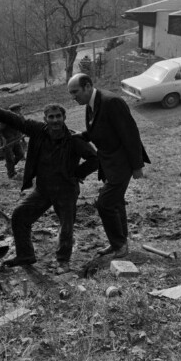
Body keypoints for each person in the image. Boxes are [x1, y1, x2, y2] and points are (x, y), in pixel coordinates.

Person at [0, 101, 98, 272]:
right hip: (43, 189)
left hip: (66, 190)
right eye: (51, 117)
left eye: (58, 117)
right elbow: (14, 120)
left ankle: (63, 261)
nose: (55, 120)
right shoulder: (38, 131)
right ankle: (25, 255)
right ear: (45, 119)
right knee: (19, 216)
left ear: (64, 118)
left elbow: (95, 159)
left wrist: (77, 174)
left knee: (66, 226)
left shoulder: (74, 139)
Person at [67, 73, 149, 258]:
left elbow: (130, 134)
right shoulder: (91, 104)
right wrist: (82, 135)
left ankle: (119, 244)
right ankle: (119, 243)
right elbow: (100, 128)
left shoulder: (112, 102)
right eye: (71, 93)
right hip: (108, 162)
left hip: (121, 162)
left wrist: (137, 166)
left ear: (88, 86)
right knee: (116, 203)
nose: (73, 97)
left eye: (75, 92)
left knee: (104, 203)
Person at [0, 103, 26, 179]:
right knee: (10, 159)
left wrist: (24, 135)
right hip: (8, 142)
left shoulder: (21, 117)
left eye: (19, 110)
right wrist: (3, 139)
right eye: (18, 110)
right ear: (13, 111)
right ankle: (11, 174)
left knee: (20, 155)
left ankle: (10, 166)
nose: (19, 111)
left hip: (16, 140)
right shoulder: (7, 119)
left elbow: (23, 126)